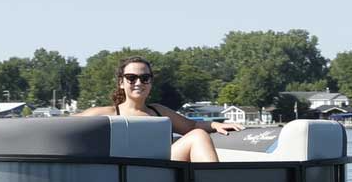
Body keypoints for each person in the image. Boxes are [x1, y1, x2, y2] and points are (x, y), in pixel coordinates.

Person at [76, 56, 241, 162]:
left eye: (145, 78)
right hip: (123, 173)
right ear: (121, 83)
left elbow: (192, 127)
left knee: (198, 136)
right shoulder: (105, 113)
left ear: (150, 82)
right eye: (131, 78)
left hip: (161, 171)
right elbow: (63, 127)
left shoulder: (158, 111)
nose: (138, 83)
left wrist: (215, 125)